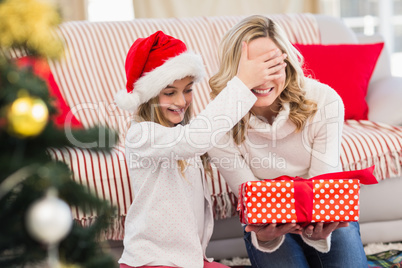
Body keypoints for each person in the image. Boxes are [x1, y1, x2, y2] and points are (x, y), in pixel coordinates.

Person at [114, 31, 287, 268]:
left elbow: (204, 135)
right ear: (148, 96)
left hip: (189, 260)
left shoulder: (185, 134)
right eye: (169, 93)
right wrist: (243, 83)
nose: (182, 101)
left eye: (187, 89)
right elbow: (195, 138)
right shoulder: (141, 134)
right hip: (151, 260)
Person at [207, 15, 369, 268]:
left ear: (288, 63)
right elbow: (251, 196)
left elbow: (323, 183)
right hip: (269, 220)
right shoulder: (216, 121)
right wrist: (264, 236)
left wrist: (320, 227)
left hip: (321, 208)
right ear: (233, 71)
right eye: (251, 69)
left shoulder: (325, 100)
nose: (263, 80)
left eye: (272, 65)